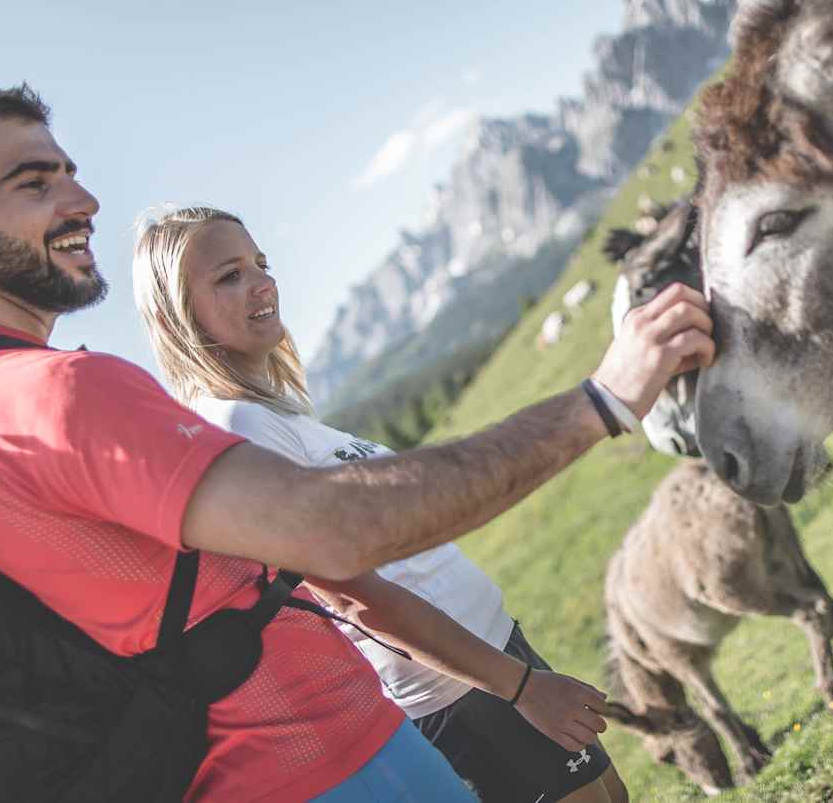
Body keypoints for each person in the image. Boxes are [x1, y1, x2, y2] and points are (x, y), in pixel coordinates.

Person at [0, 77, 714, 802]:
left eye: (70, 175)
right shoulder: (49, 395)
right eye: (31, 183)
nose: (81, 201)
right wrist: (599, 402)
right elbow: (336, 539)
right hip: (324, 763)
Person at [131, 205, 629, 802]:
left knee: (611, 796)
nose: (262, 283)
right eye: (229, 276)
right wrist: (519, 688)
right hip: (458, 690)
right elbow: (350, 595)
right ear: (174, 312)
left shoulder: (275, 413)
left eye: (260, 263)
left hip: (489, 653)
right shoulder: (237, 423)